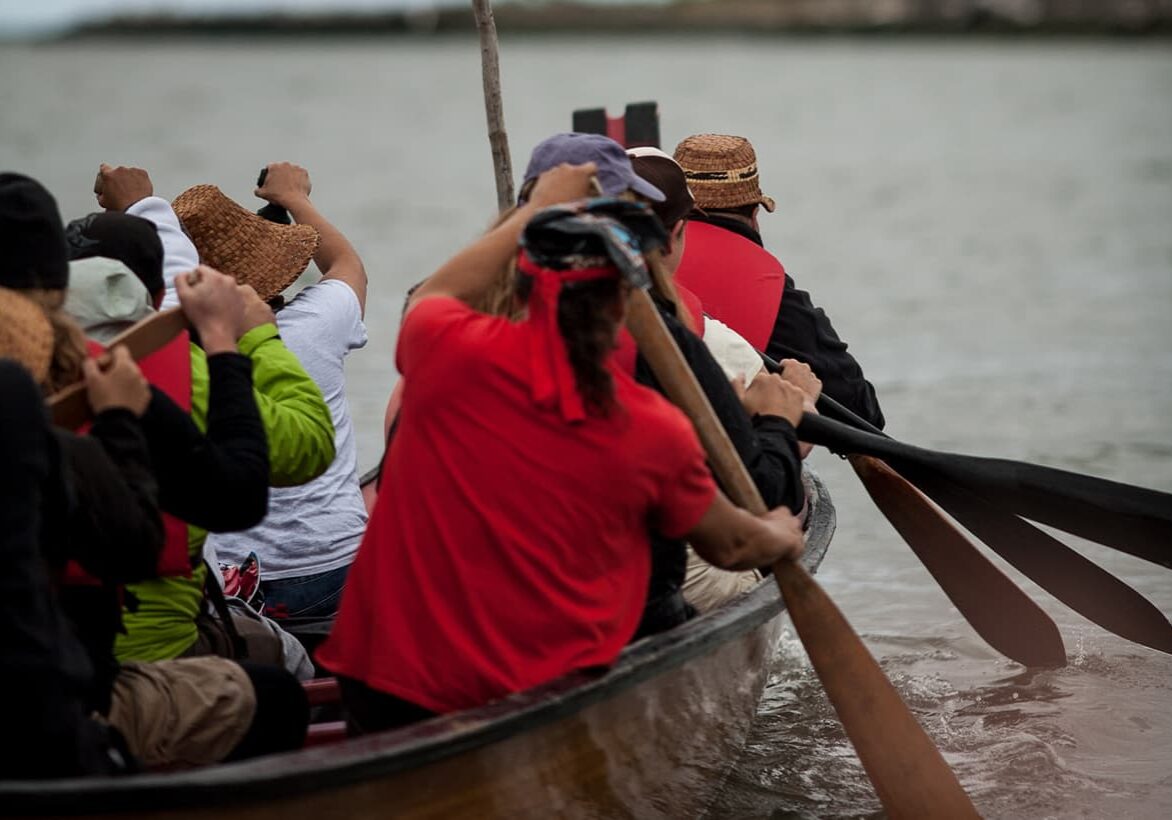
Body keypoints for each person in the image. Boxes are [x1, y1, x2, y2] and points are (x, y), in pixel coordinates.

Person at [316, 163, 807, 734]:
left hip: (382, 684)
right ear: (625, 302)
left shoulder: (443, 348)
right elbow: (737, 542)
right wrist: (778, 470)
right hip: (532, 699)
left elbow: (436, 291)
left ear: (522, 284)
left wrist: (537, 208)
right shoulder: (653, 429)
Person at [0, 283, 308, 772]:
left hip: (52, 695)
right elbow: (146, 543)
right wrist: (122, 417)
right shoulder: (63, 449)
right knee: (282, 694)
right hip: (52, 718)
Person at [81, 165, 339, 665]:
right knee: (284, 673)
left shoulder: (46, 362)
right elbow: (307, 446)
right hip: (166, 654)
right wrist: (246, 338)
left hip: (74, 651)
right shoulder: (184, 369)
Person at [203, 162, 369, 646]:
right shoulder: (318, 320)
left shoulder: (177, 357)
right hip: (332, 565)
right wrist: (297, 199)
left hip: (228, 583)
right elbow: (348, 266)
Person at [672, 134, 885, 429]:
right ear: (755, 214)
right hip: (732, 455)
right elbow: (862, 409)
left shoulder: (636, 260)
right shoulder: (768, 284)